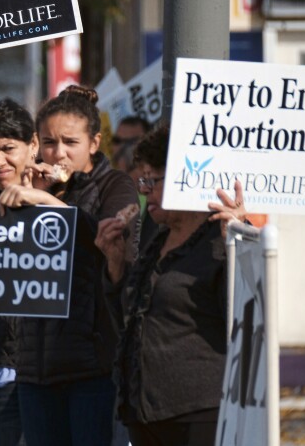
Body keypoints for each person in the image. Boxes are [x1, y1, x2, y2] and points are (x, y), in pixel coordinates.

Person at [0, 85, 139, 446]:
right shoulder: (32, 186)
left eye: (70, 142)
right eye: (48, 142)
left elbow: (106, 236)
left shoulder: (114, 184)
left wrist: (46, 201)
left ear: (94, 143)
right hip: (34, 369)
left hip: (90, 369)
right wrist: (21, 200)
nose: (58, 153)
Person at [95, 125, 241, 446]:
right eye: (142, 179)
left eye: (152, 180)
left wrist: (240, 248)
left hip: (198, 411)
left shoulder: (220, 241)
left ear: (186, 177)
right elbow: (128, 322)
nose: (144, 190)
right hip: (144, 411)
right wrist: (116, 266)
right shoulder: (155, 237)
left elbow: (240, 320)